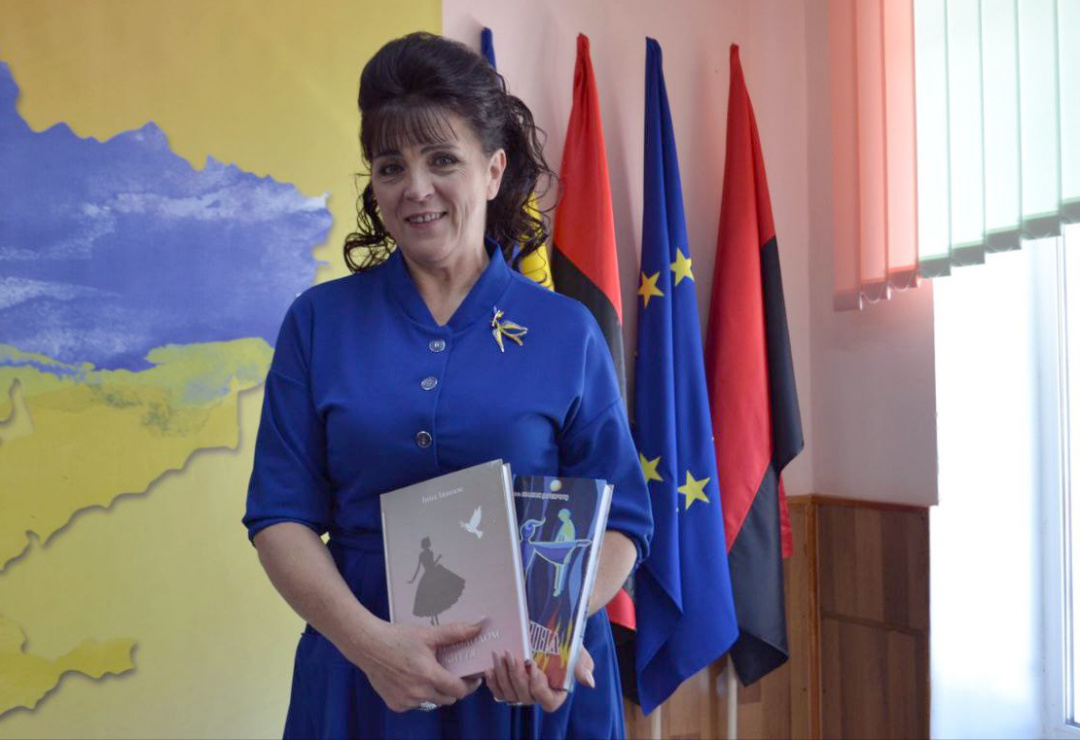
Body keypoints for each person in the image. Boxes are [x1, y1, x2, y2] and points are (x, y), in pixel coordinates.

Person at [243, 31, 653, 739]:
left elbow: (623, 521)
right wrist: (372, 647)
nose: (416, 188)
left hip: (528, 687)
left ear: (493, 171)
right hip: (364, 675)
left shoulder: (567, 330)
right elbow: (279, 516)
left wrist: (546, 630)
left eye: (442, 160)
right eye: (390, 166)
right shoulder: (317, 323)